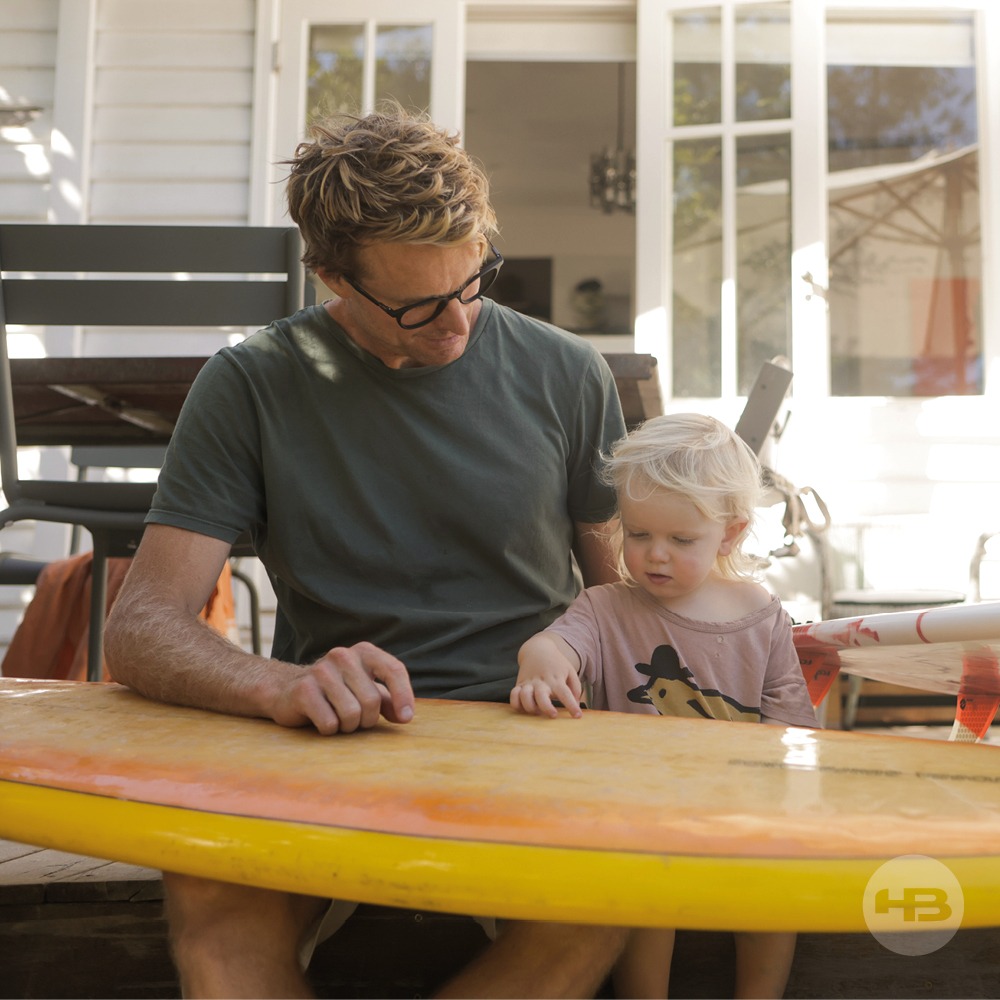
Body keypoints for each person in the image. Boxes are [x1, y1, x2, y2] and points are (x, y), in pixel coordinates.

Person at [104, 103, 630, 998]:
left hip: (530, 730)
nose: (457, 326)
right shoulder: (252, 382)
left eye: (472, 283)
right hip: (329, 736)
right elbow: (141, 625)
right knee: (213, 905)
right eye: (417, 305)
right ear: (330, 278)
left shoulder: (567, 372)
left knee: (604, 896)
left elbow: (622, 602)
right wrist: (277, 686)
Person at [510, 412, 818, 1000]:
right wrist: (542, 659)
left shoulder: (762, 615)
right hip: (639, 818)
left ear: (729, 534)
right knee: (645, 899)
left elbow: (792, 724)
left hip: (742, 815)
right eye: (638, 534)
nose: (655, 555)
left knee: (775, 901)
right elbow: (556, 644)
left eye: (681, 540)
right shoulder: (604, 607)